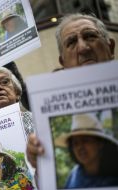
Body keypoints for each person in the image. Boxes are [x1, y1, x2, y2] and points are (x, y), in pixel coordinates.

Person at [26, 13, 116, 177]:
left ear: (110, 47)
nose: (83, 48)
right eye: (72, 42)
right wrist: (41, 163)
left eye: (90, 36)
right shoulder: (74, 177)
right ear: (63, 62)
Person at [55, 113, 118, 188]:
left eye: (85, 140)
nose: (80, 147)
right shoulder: (73, 176)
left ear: (100, 144)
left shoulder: (114, 177)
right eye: (75, 143)